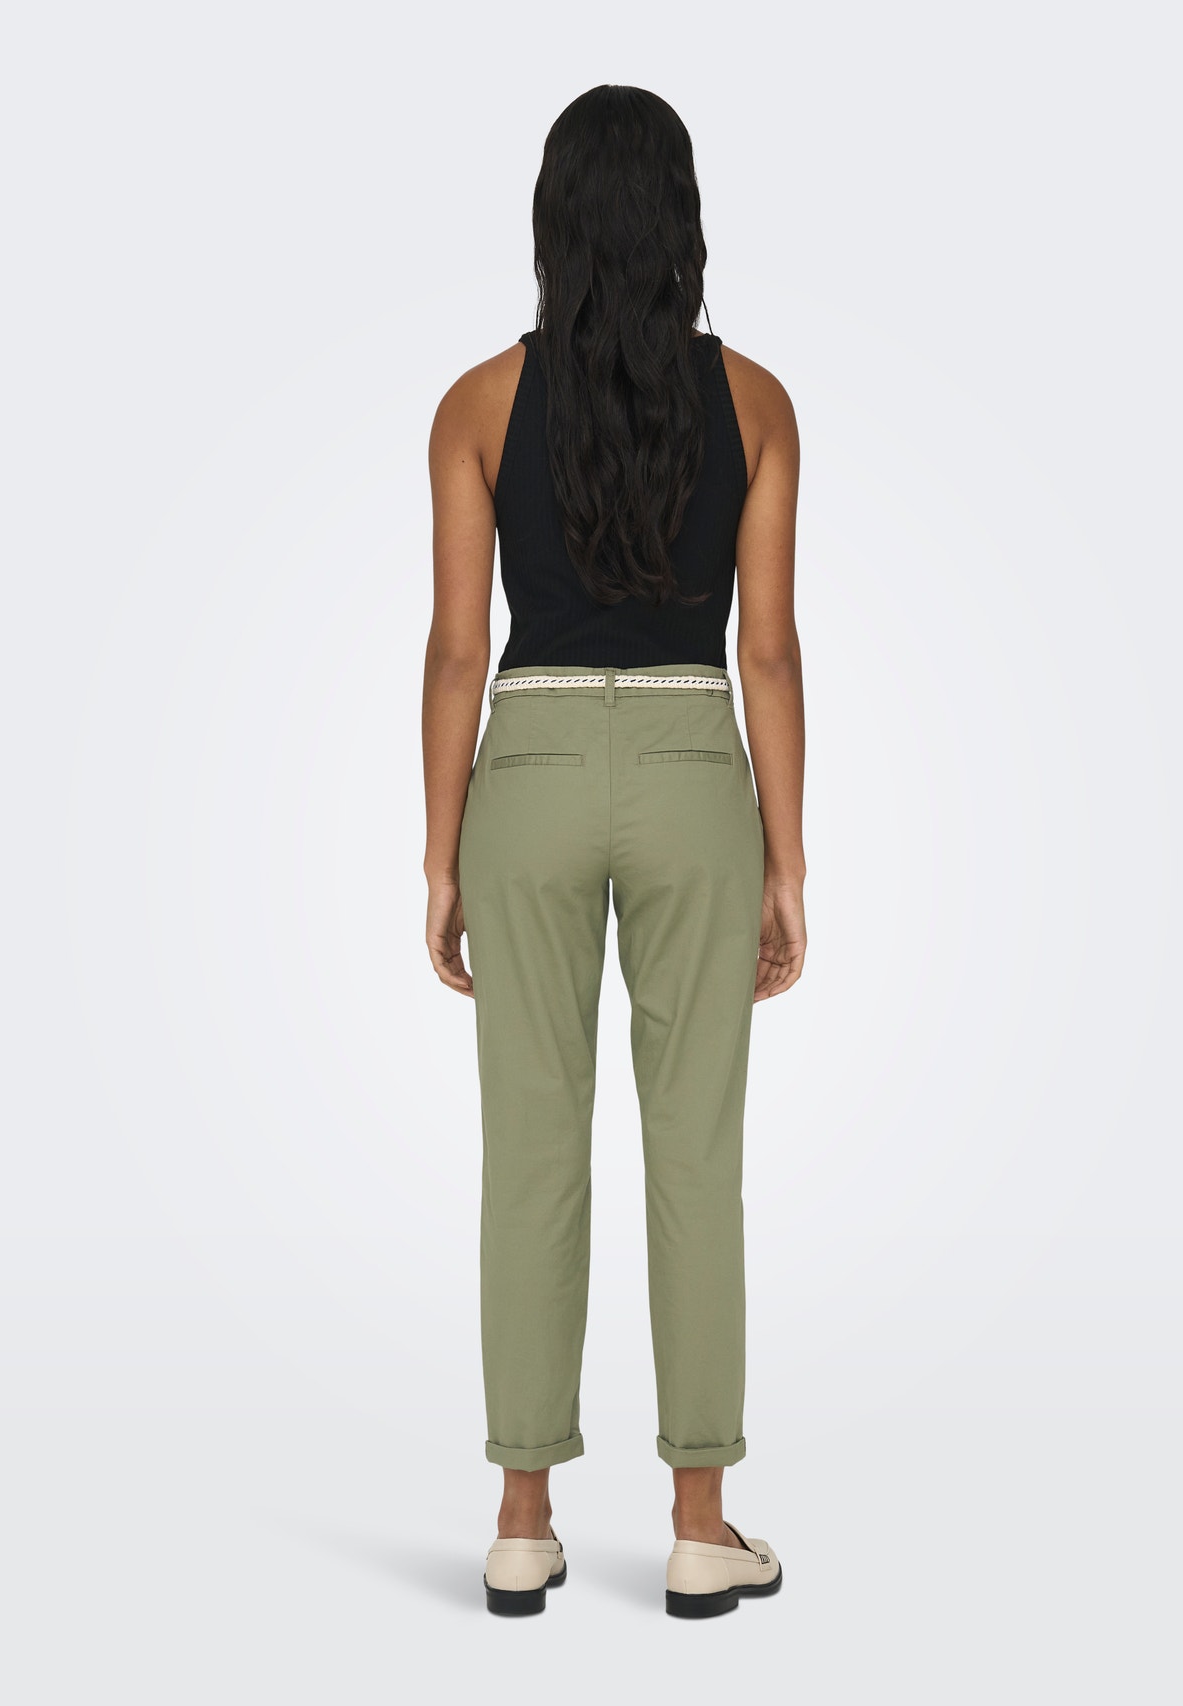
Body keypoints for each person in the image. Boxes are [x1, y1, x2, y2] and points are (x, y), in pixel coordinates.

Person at [422, 84, 806, 1619]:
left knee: (532, 1142)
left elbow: (460, 648)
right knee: (696, 1148)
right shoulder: (758, 403)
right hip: (693, 756)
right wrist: (787, 858)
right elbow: (766, 650)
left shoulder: (477, 405)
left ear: (553, 225)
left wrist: (439, 853)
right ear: (684, 225)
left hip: (523, 763)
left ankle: (522, 1517)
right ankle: (701, 1524)